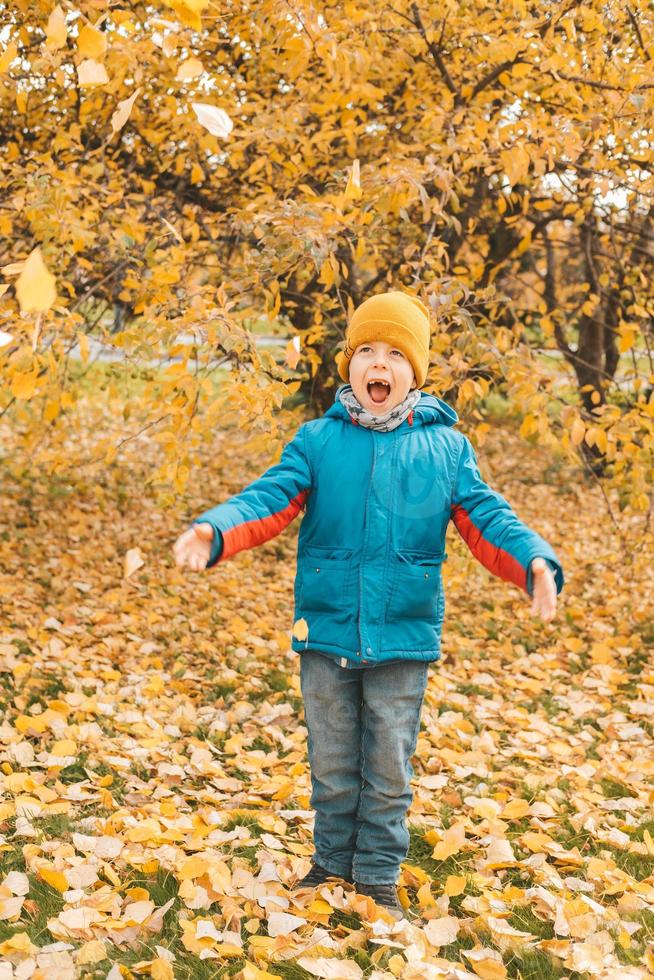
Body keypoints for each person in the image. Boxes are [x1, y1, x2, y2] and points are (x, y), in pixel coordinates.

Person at [173, 290, 564, 921]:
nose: (378, 364)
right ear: (348, 365)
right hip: (326, 630)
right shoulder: (319, 441)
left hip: (402, 637)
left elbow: (489, 521)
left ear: (415, 371)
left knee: (387, 767)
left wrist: (534, 563)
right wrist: (215, 530)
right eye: (365, 352)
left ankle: (377, 875)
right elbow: (270, 498)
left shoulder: (445, 450)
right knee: (331, 763)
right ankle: (330, 862)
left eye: (394, 354)